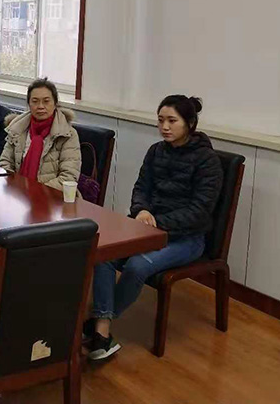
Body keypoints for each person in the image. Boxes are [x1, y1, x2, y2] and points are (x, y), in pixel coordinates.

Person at [86, 95, 223, 361]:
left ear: (190, 123)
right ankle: (102, 325)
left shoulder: (207, 161)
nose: (164, 127)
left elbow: (200, 210)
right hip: (147, 227)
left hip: (186, 238)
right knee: (103, 252)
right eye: (160, 120)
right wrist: (141, 210)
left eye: (172, 121)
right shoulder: (156, 151)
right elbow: (141, 187)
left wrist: (158, 222)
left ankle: (100, 325)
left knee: (138, 265)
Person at [0, 78, 80, 191]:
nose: (40, 106)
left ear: (55, 103)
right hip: (17, 192)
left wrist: (37, 191)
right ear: (29, 104)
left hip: (52, 197)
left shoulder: (68, 134)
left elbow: (68, 177)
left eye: (46, 101)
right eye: (35, 101)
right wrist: (15, 186)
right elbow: (5, 162)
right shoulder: (17, 129)